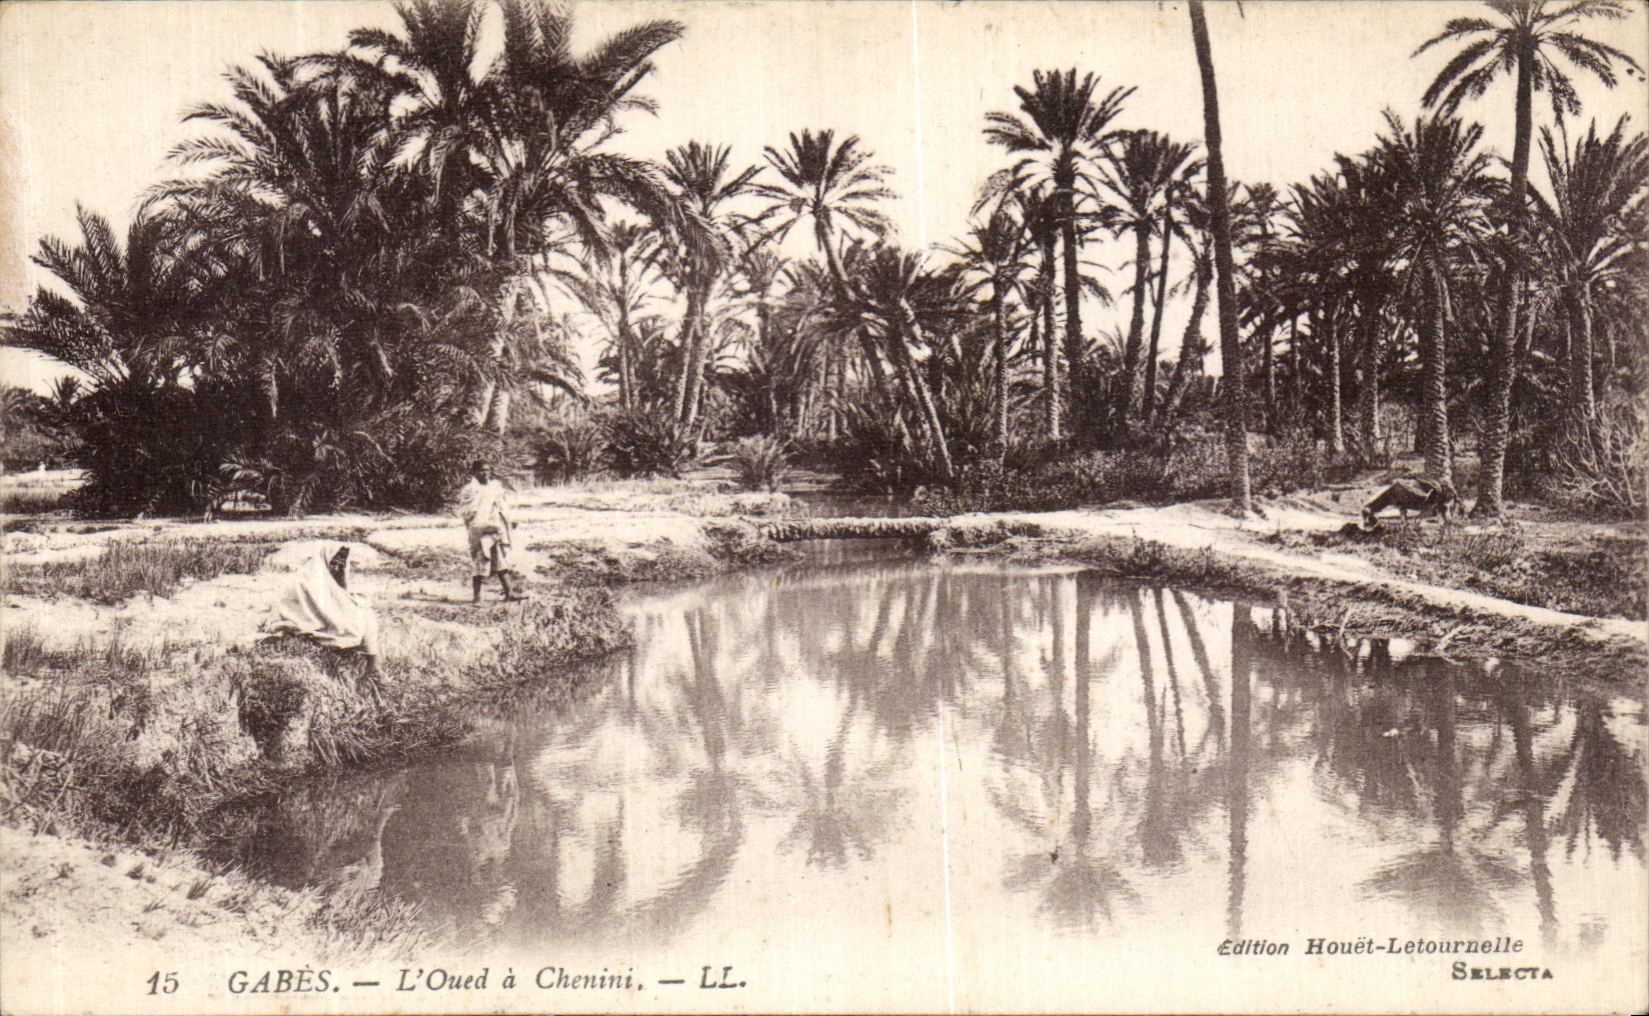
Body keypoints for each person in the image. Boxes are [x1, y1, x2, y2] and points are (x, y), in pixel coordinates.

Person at [265, 545, 384, 692]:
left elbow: (340, 602)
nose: (338, 569)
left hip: (327, 623)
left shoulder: (333, 583)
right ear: (324, 563)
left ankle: (373, 668)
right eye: (333, 564)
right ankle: (371, 667)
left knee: (366, 614)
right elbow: (286, 606)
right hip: (311, 625)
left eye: (342, 565)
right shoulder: (304, 581)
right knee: (362, 617)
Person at [456, 460, 525, 603]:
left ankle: (509, 592)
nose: (485, 473)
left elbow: (502, 507)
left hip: (496, 528)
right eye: (481, 470)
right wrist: (483, 523)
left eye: (487, 470)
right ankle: (477, 598)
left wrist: (507, 521)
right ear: (474, 472)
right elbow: (467, 512)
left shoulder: (495, 487)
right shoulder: (470, 490)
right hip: (481, 530)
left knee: (500, 561)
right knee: (482, 561)